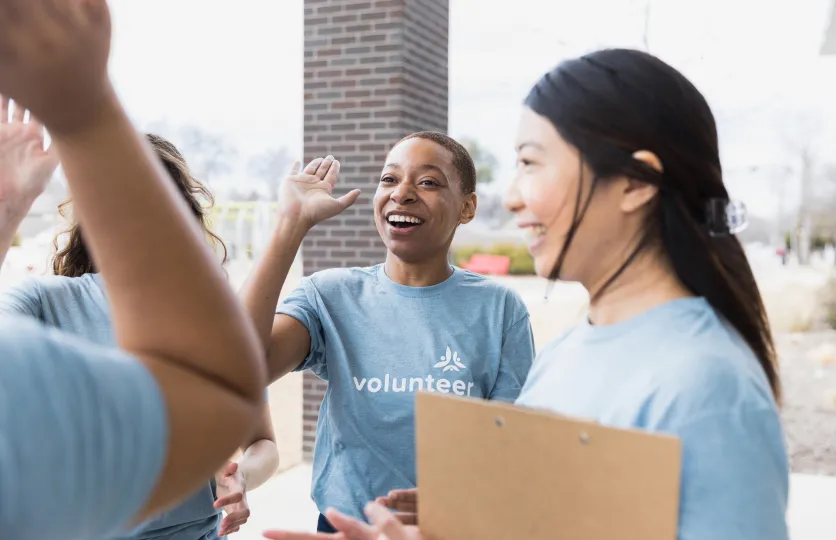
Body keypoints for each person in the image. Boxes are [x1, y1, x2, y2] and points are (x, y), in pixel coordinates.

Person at [263, 48, 789, 540]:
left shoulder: (709, 387)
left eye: (532, 164)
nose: (512, 198)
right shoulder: (571, 351)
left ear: (635, 182)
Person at [0, 1, 266, 538]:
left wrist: (238, 478)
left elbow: (260, 441)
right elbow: (219, 392)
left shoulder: (209, 314)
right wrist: (83, 109)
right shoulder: (43, 300)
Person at [240, 132, 536, 531]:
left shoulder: (500, 309)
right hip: (344, 528)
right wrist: (289, 226)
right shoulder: (330, 295)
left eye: (428, 182)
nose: (403, 193)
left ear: (468, 207)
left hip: (451, 528)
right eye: (389, 179)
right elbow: (241, 367)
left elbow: (511, 443)